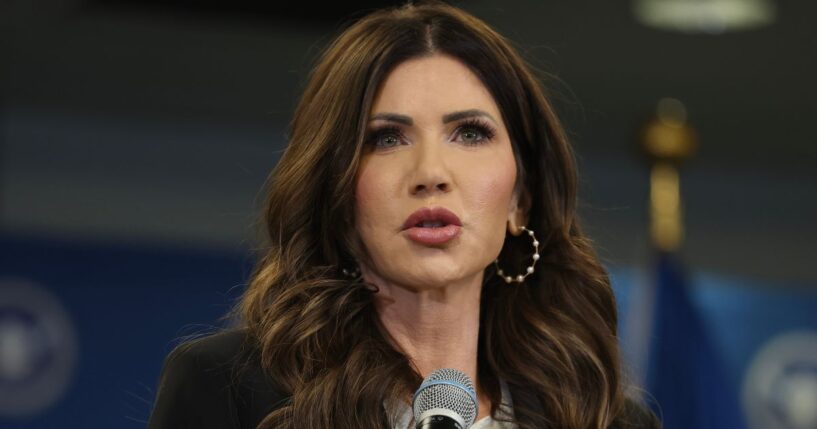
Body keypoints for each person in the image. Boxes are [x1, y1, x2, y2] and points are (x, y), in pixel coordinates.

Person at [147, 1, 661, 428]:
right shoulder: (228, 391)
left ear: (519, 199)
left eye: (470, 133)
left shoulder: (605, 420)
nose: (431, 172)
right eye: (387, 138)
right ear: (337, 194)